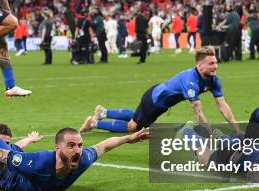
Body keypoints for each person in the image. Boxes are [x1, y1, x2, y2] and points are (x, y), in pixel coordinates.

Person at [0, 126, 149, 191]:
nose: (78, 150)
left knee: (6, 145)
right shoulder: (38, 162)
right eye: (71, 145)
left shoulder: (83, 159)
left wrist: (129, 138)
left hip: (14, 160)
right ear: (57, 148)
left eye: (80, 145)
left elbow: (105, 145)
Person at [80, 46, 240, 133]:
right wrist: (209, 134)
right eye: (211, 63)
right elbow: (198, 111)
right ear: (200, 65)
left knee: (137, 117)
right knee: (133, 128)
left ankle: (104, 113)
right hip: (154, 102)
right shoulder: (190, 81)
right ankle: (94, 123)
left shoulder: (214, 80)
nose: (216, 66)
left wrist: (237, 130)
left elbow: (222, 105)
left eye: (216, 62)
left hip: (157, 97)